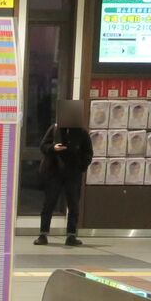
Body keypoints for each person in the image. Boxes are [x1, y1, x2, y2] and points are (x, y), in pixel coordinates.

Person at [36, 100, 93, 247]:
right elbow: (43, 146)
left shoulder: (82, 133)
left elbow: (88, 153)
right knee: (49, 204)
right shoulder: (54, 129)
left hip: (73, 174)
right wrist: (53, 148)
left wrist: (81, 167)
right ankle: (43, 234)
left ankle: (71, 236)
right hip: (54, 172)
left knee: (73, 205)